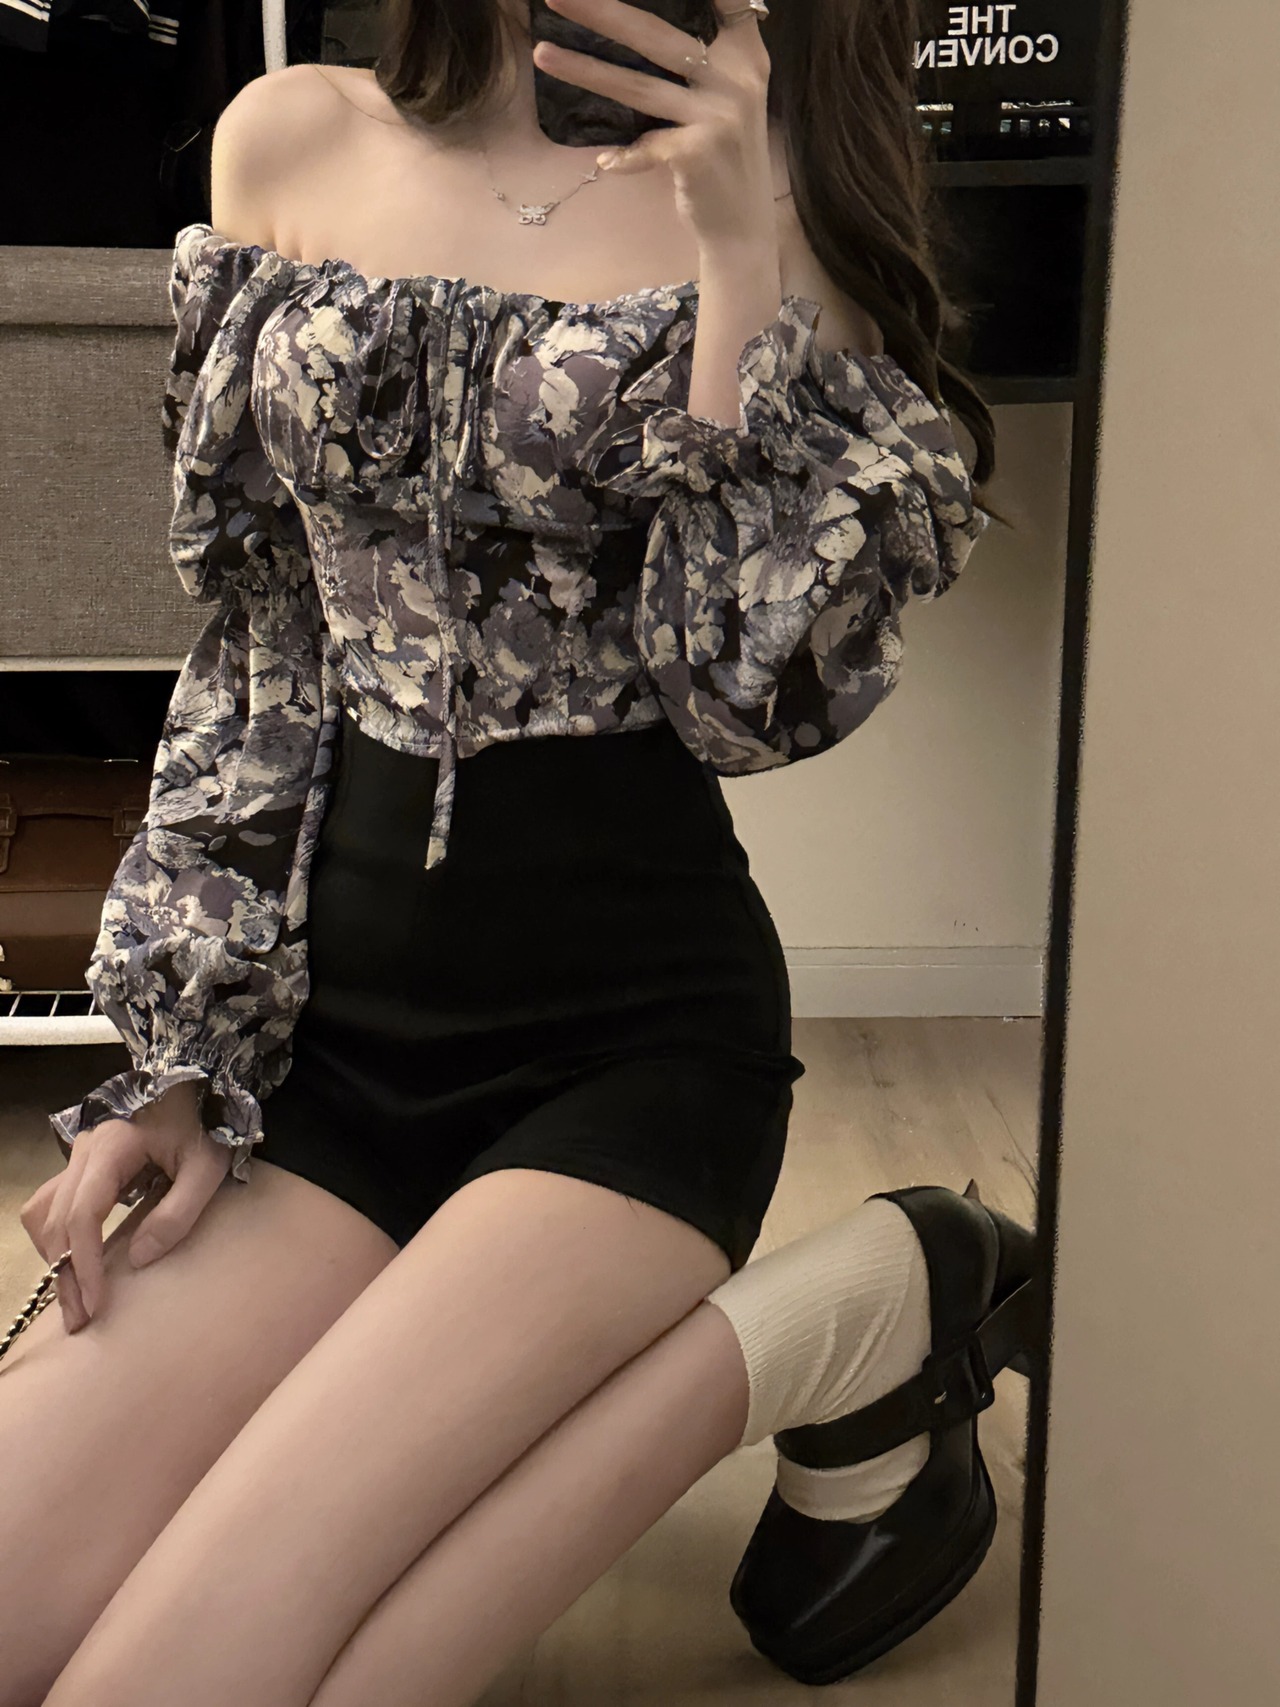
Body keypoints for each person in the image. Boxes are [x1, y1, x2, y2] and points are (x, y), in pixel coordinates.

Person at [2, 2, 1038, 1703]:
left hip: (627, 1063)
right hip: (324, 1066)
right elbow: (262, 646)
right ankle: (831, 1314)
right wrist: (182, 1050)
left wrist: (740, 262)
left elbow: (746, 698)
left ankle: (855, 1309)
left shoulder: (792, 207)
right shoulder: (288, 136)